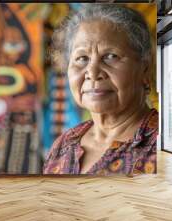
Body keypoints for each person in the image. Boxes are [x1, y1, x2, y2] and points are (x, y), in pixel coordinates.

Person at [43, 4, 158, 175]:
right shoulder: (64, 144)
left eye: (110, 56)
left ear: (145, 69)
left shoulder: (164, 147)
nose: (93, 72)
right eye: (82, 58)